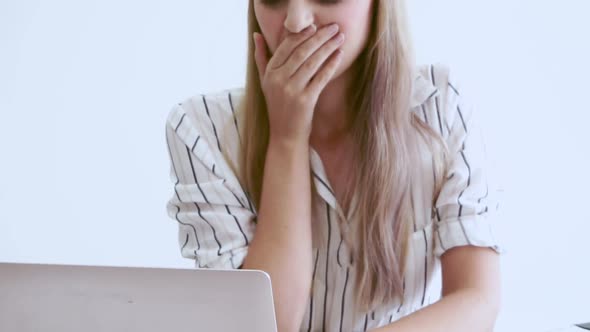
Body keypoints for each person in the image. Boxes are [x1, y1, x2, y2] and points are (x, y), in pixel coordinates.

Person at [164, 0, 504, 331]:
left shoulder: (440, 107)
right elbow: (266, 324)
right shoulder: (202, 131)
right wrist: (287, 137)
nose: (296, 22)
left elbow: (477, 300)